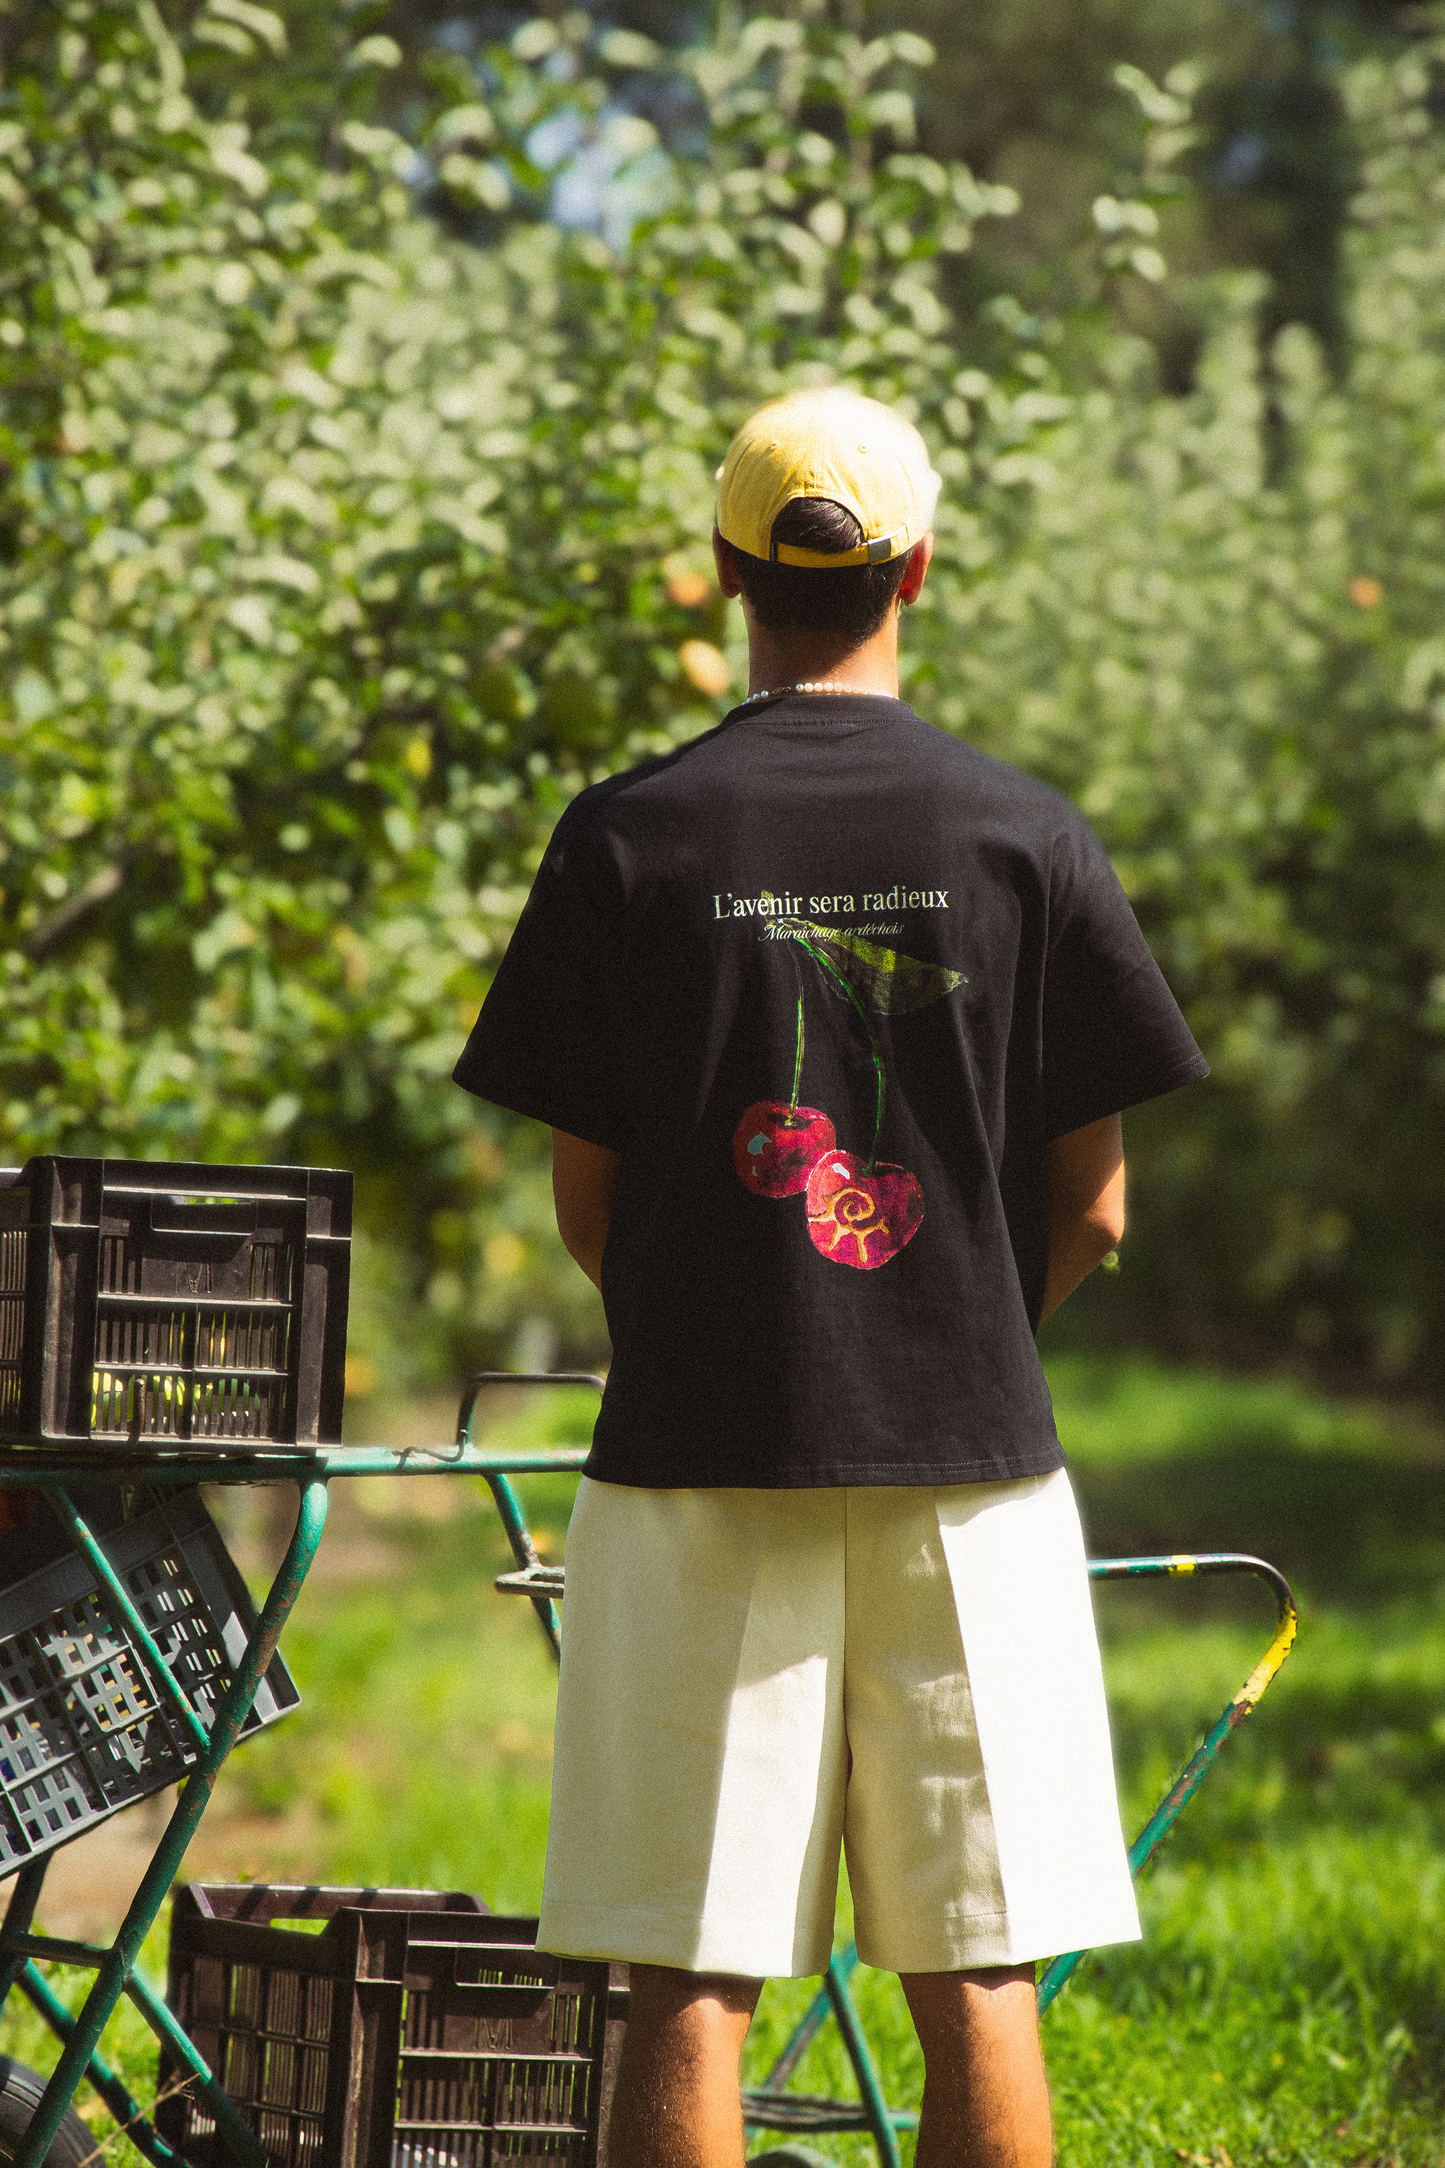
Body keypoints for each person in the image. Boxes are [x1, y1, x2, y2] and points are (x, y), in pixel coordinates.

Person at [453, 385, 1208, 2168]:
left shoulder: (624, 837)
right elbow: (1094, 1214)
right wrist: (942, 1336)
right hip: (974, 1467)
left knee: (684, 1975)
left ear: (727, 571)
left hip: (697, 1459)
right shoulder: (1028, 839)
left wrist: (742, 1329)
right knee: (981, 1971)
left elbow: (592, 1202)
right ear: (919, 570)